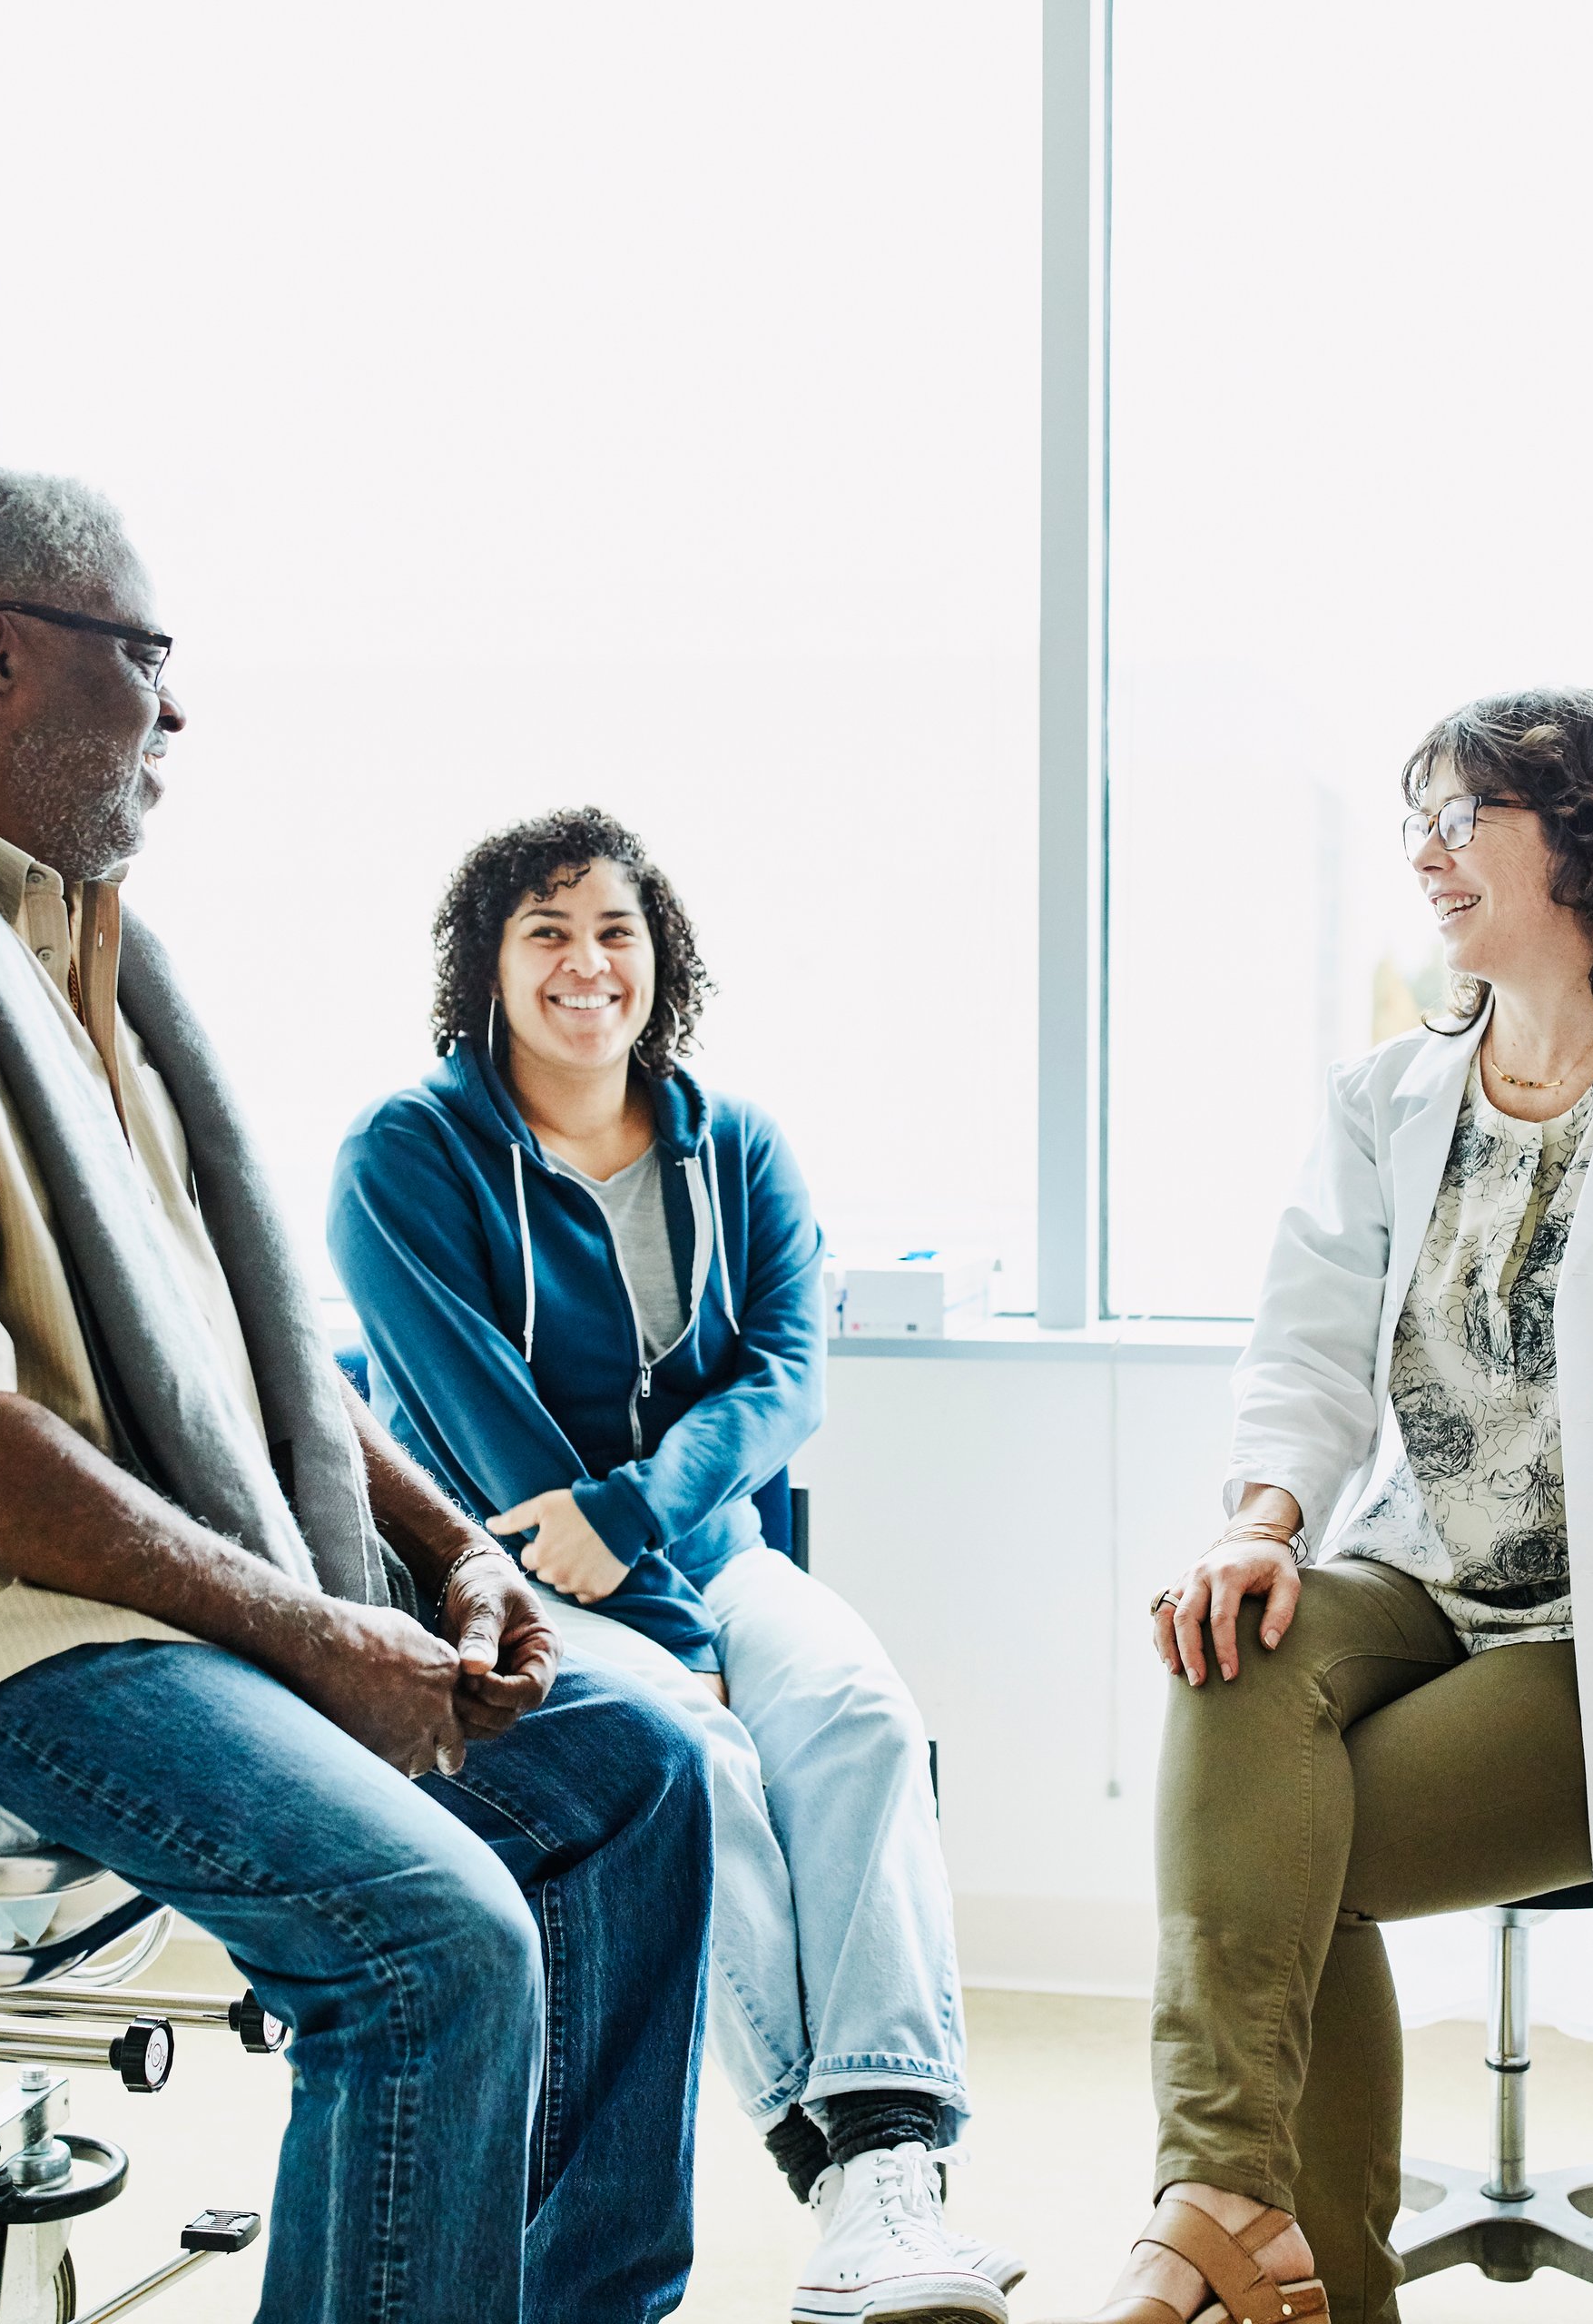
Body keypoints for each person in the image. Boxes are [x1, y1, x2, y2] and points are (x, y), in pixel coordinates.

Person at [0, 464, 715, 2324]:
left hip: (125, 1569)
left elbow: (243, 1346)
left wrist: (455, 1557)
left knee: (640, 1769)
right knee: (428, 1944)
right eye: (144, 654)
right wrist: (308, 1630)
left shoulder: (82, 953)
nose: (176, 709)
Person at [1050, 690, 1593, 2324]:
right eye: (1420, 820)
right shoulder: (1390, 1096)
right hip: (1418, 1568)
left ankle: (1236, 2230)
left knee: (1276, 1861)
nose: (1425, 855)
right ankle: (1231, 2202)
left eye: (1462, 819)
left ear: (1588, 840)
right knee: (1229, 1644)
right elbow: (1310, 1348)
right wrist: (1263, 1517)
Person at [327, 807, 1015, 2324]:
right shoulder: (406, 1155)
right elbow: (470, 1423)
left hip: (707, 1552)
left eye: (616, 932)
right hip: (496, 1581)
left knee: (857, 1718)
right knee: (692, 1756)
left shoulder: (736, 1143)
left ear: (662, 960)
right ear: (487, 965)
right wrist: (643, 1604)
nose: (588, 964)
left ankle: (889, 2164)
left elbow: (784, 1375)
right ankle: (826, 2156)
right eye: (548, 933)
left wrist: (645, 1524)